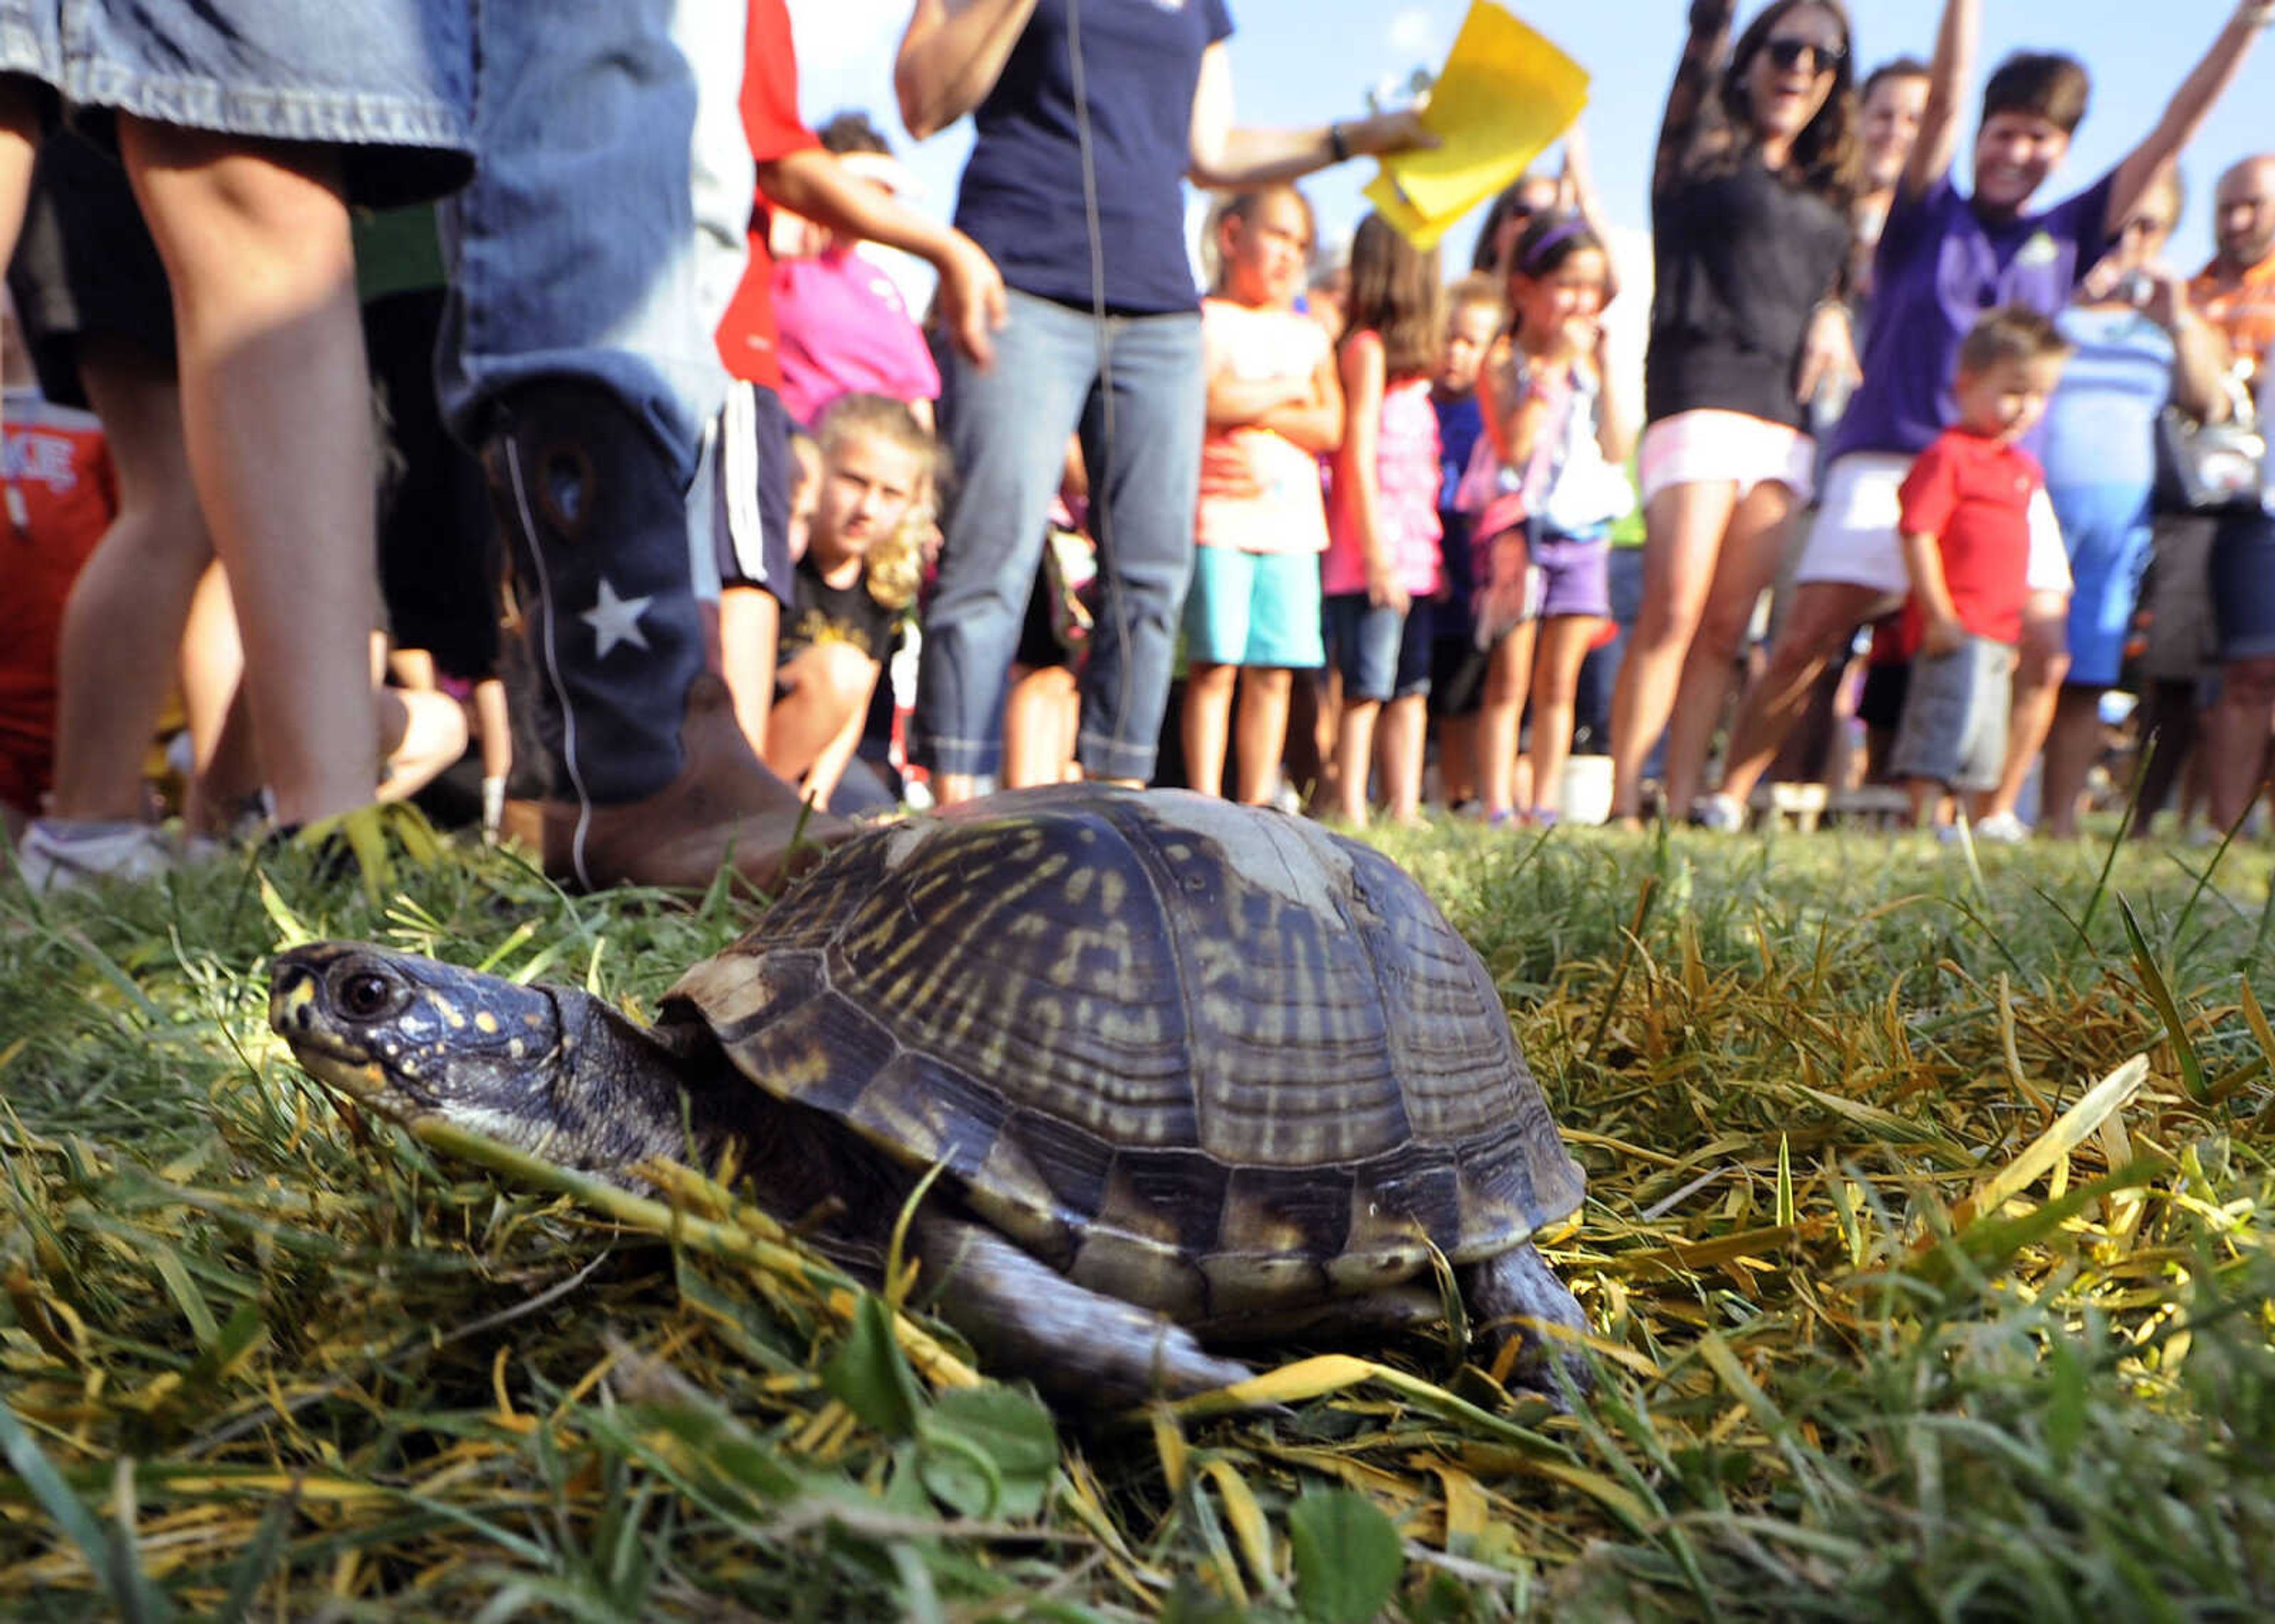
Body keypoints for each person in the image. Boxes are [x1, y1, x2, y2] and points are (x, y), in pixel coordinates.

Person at [1708, 0, 2275, 834]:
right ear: (1980, 134)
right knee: (1808, 635)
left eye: (2039, 139)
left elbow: (2174, 130)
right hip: (1893, 460)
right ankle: (1727, 791)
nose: (2017, 152)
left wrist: (2247, 25)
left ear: (2064, 150)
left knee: (2047, 648)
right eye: (2004, 132)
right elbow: (1945, 96)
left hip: (2008, 481)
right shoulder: (1926, 213)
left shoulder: (2070, 232)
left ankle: (1991, 810)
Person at [895, 0, 1431, 806]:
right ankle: (954, 809)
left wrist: (1357, 138)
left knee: (1150, 571)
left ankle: (1117, 807)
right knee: (991, 550)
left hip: (1158, 308)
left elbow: (1208, 149)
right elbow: (923, 105)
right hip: (1017, 285)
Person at [1606, 0, 1863, 828]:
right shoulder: (1699, 160)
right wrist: (1711, 28)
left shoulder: (1829, 189)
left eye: (1823, 60)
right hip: (1699, 389)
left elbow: (1835, 285)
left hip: (1783, 417)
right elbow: (1703, 38)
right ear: (1750, 58)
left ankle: (1681, 807)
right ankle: (1621, 806)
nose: (1801, 69)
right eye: (1785, 49)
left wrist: (1832, 310)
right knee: (1674, 607)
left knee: (1726, 626)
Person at [2033, 174, 2228, 836]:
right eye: (2121, 225)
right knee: (2014, 659)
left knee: (2086, 671)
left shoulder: (2169, 327)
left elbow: (2209, 402)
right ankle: (1984, 805)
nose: (2129, 241)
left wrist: (2178, 320)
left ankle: (2058, 819)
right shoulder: (2052, 302)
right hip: (2030, 508)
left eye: (2149, 227)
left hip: (2118, 523)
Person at [1467, 214, 1633, 826]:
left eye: (1590, 289)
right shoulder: (1505, 360)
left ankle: (1544, 802)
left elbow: (1618, 445)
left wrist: (1606, 370)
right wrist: (1548, 379)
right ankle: (1497, 804)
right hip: (1519, 530)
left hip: (1583, 532)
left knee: (1560, 680)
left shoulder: (1594, 365)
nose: (1579, 302)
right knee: (1510, 675)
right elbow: (1511, 445)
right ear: (1526, 289)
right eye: (1565, 284)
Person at [1180, 185, 1340, 805]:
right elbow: (1208, 400)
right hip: (1219, 518)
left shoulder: (1308, 334)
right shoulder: (1203, 319)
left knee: (1274, 669)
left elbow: (1329, 424)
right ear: (1231, 236)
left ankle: (1253, 804)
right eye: (1278, 237)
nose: (1289, 256)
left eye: (1301, 244)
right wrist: (1287, 393)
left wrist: (1253, 408)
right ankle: (1200, 800)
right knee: (1215, 665)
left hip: (1293, 527)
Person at [1887, 308, 2071, 830]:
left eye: (2039, 396)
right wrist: (1938, 613)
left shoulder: (2022, 469)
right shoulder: (1949, 455)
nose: (2025, 408)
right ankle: (1925, 820)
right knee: (1942, 727)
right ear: (1968, 382)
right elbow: (1917, 531)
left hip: (1999, 632)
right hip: (1955, 627)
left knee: (1982, 736)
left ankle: (1965, 826)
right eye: (2013, 391)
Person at [1322, 213, 1441, 828]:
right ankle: (1350, 803)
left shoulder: (1413, 373)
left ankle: (1406, 803)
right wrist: (1375, 555)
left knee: (1410, 685)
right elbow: (1357, 457)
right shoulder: (1364, 350)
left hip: (1415, 558)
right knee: (1366, 684)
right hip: (1372, 560)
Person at [764, 394, 933, 811]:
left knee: (878, 819)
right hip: (752, 741)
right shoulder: (782, 554)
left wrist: (815, 800)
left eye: (890, 493)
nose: (867, 508)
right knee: (840, 668)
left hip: (812, 752)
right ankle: (750, 809)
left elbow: (853, 711)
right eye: (854, 481)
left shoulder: (883, 584)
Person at [2194, 153, 2275, 837]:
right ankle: (2224, 830)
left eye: (2256, 204)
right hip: (2256, 498)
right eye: (2229, 205)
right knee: (2248, 667)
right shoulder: (2201, 292)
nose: (2239, 220)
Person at [1427, 273, 1505, 811]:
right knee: (1432, 687)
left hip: (1477, 558)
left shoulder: (1492, 411)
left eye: (1470, 341)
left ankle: (1470, 793)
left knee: (1472, 687)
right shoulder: (1418, 402)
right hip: (1427, 553)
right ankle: (1445, 791)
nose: (1456, 352)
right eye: (1447, 337)